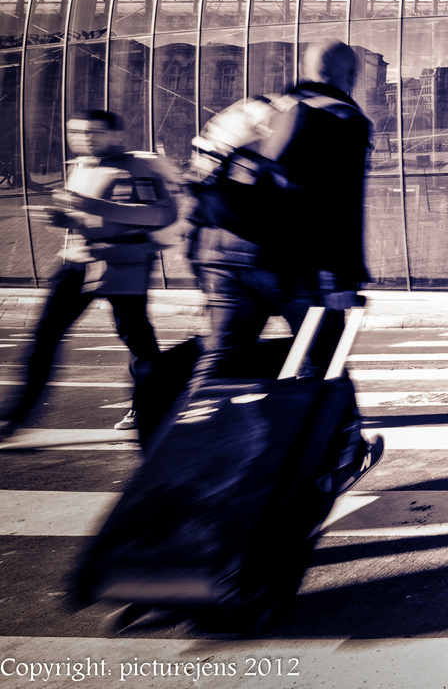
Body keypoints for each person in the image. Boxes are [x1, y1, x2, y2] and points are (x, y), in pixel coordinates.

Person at [187, 40, 381, 475]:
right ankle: (340, 451)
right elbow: (342, 205)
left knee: (221, 361)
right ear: (351, 76)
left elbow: (202, 185)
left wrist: (202, 267)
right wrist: (341, 280)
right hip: (293, 265)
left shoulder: (256, 108)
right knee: (322, 361)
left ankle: (187, 460)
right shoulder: (343, 117)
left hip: (222, 256)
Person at [0, 111, 174, 443]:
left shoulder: (135, 168)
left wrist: (90, 206)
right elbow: (89, 216)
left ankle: (149, 406)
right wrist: (65, 218)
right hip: (78, 262)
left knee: (138, 342)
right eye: (77, 132)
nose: (85, 138)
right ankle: (17, 415)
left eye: (95, 132)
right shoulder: (81, 165)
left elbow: (159, 214)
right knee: (45, 336)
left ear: (116, 135)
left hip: (122, 265)